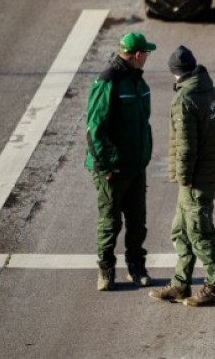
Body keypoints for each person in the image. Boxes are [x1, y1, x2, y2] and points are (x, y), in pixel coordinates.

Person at [149, 45, 215, 306]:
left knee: (199, 232)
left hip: (196, 176)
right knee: (181, 230)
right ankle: (180, 284)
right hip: (207, 169)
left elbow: (185, 145)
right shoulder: (209, 89)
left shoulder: (185, 99)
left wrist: (184, 177)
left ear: (175, 72)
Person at [85, 32, 156, 291]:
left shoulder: (137, 82)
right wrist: (104, 166)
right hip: (113, 169)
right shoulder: (109, 82)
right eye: (146, 53)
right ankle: (106, 270)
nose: (147, 57)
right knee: (110, 222)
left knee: (137, 221)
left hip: (136, 167)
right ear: (137, 55)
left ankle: (136, 267)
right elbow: (94, 129)